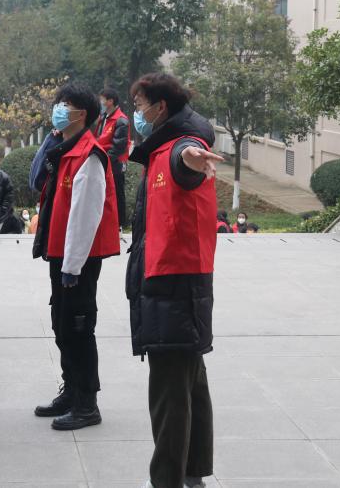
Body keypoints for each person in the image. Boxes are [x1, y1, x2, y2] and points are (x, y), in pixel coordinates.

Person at [126, 73, 222, 488]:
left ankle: (168, 480)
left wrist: (193, 160)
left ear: (160, 106)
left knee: (169, 393)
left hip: (173, 286)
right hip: (177, 284)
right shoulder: (164, 144)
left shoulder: (181, 144)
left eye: (140, 104)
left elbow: (189, 158)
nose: (137, 112)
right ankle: (193, 473)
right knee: (190, 383)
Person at [30, 83, 119, 431]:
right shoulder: (66, 149)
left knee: (79, 329)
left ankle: (86, 403)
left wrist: (72, 266)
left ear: (81, 114)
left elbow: (85, 217)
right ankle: (71, 390)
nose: (57, 108)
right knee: (62, 324)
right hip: (61, 254)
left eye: (64, 104)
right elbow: (37, 180)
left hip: (77, 260)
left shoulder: (90, 156)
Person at [96, 88, 131, 228]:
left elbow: (118, 147)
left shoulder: (121, 120)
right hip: (104, 160)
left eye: (102, 100)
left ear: (110, 101)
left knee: (117, 193)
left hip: (115, 163)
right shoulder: (103, 118)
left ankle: (119, 225)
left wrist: (104, 160)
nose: (100, 103)